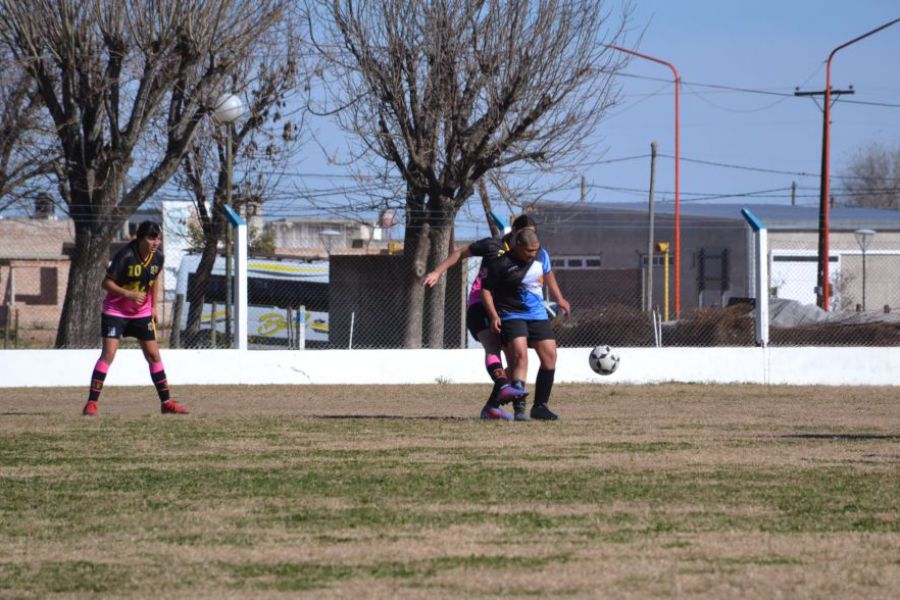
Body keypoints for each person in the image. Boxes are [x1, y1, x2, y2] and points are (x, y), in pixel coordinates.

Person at [422, 215, 538, 420]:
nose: (532, 238)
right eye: (528, 232)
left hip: (504, 308)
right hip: (480, 304)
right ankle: (503, 386)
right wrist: (437, 271)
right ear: (516, 233)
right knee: (492, 346)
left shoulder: (525, 257)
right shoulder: (492, 245)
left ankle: (492, 407)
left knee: (513, 359)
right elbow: (459, 253)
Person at [82, 221, 189, 416]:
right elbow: (106, 283)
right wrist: (128, 294)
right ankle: (91, 403)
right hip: (116, 312)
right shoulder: (125, 256)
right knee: (109, 354)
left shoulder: (158, 258)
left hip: (141, 313)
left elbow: (154, 279)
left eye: (158, 238)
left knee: (154, 355)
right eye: (151, 238)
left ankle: (166, 403)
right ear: (140, 238)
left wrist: (154, 307)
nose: (155, 242)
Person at [481, 228, 570, 421]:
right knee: (519, 357)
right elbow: (485, 291)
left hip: (537, 314)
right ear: (517, 246)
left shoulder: (541, 256)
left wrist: (560, 298)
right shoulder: (501, 263)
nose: (532, 254)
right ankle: (519, 408)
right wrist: (494, 315)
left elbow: (548, 275)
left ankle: (540, 406)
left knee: (550, 356)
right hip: (511, 314)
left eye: (535, 250)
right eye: (529, 251)